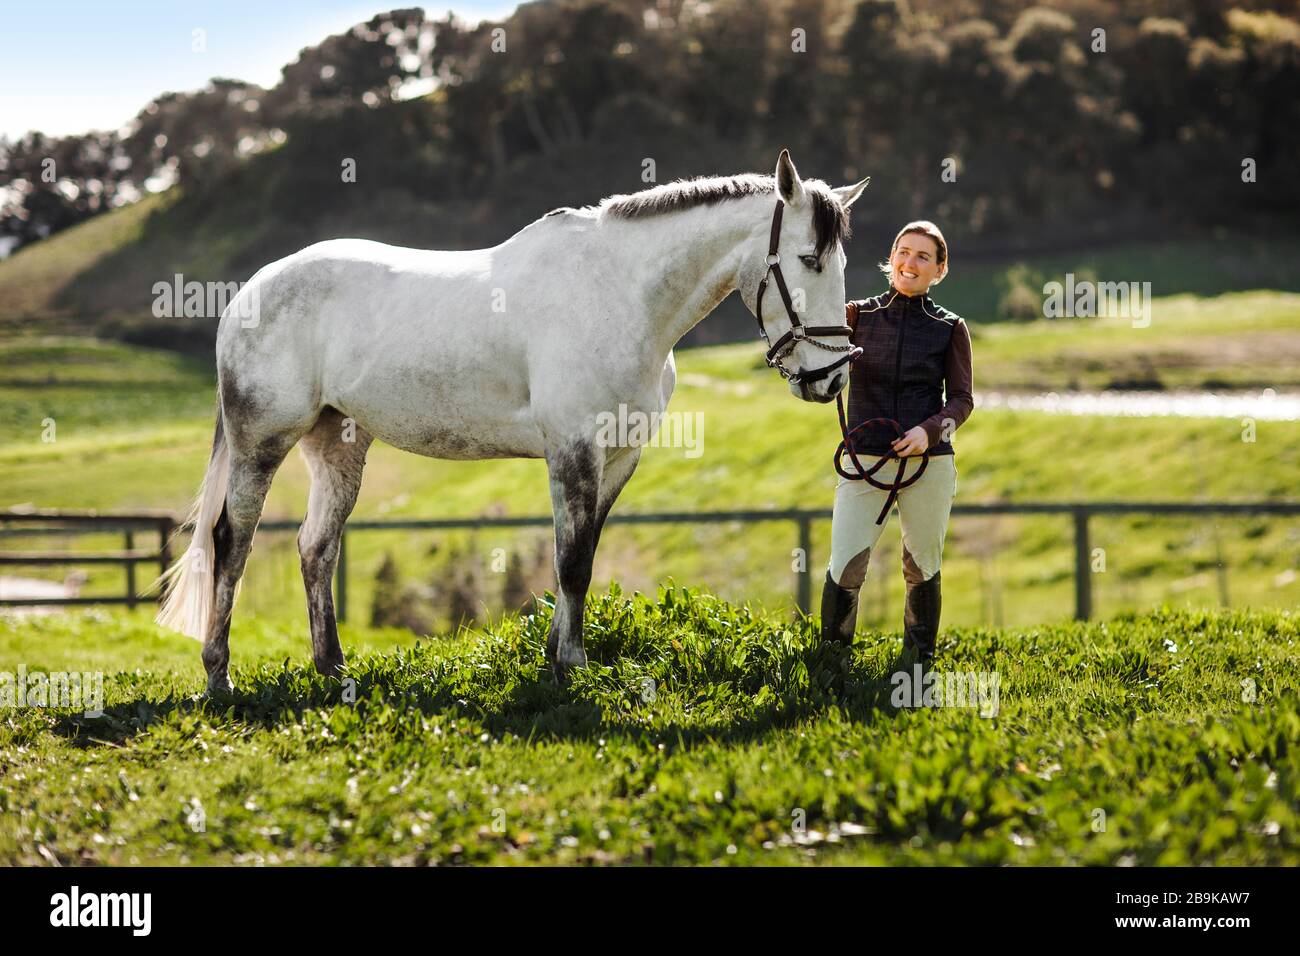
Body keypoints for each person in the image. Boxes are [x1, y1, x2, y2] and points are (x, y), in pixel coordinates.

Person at [820, 220, 974, 664]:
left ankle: (916, 665)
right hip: (862, 461)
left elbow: (962, 401)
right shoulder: (856, 316)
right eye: (904, 251)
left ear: (939, 271)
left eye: (923, 256)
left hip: (929, 466)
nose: (910, 262)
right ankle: (833, 666)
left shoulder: (950, 328)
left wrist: (929, 432)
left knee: (921, 567)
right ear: (892, 258)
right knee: (846, 565)